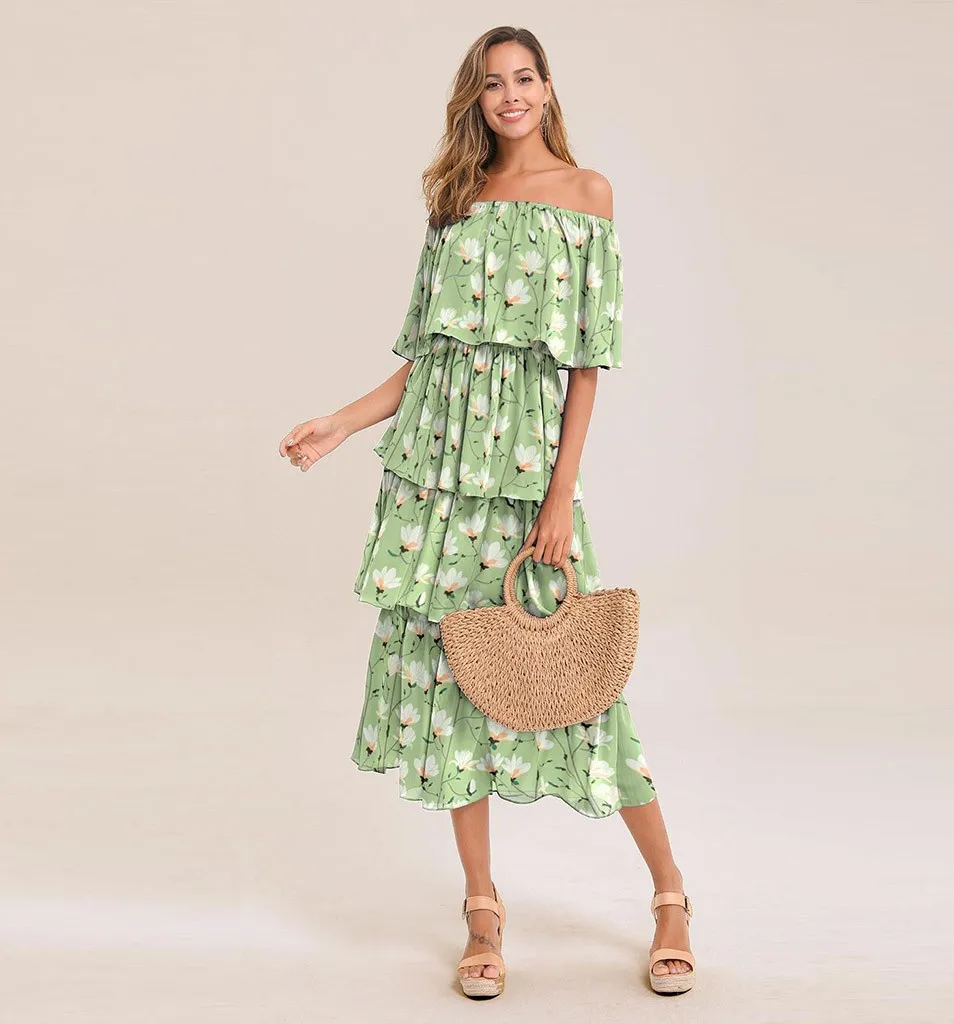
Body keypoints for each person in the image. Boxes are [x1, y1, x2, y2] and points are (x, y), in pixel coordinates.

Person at [277, 25, 695, 999]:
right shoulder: (453, 201)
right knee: (453, 676)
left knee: (581, 679)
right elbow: (430, 357)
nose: (511, 95)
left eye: (525, 78)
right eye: (493, 83)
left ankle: (670, 894)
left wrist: (559, 494)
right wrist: (339, 423)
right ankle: (481, 907)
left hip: (525, 476)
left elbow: (586, 360)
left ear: (547, 88)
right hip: (436, 479)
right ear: (475, 98)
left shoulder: (587, 194)